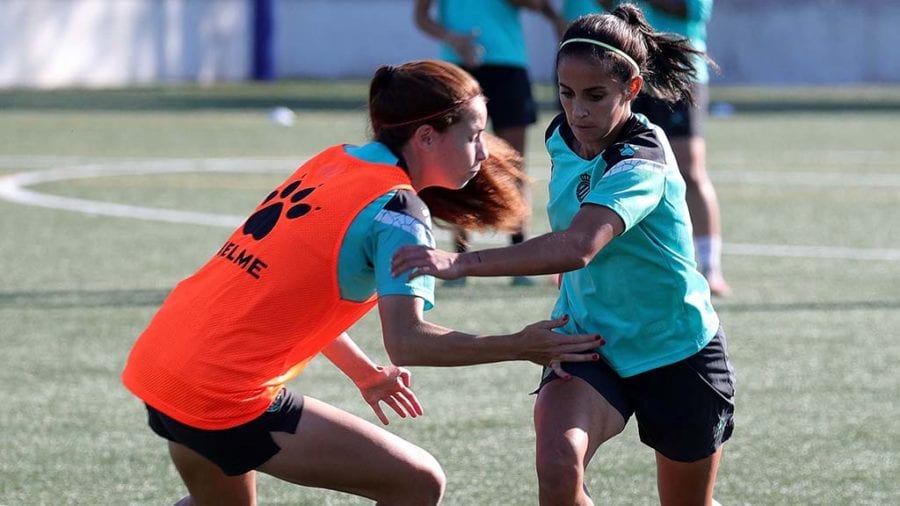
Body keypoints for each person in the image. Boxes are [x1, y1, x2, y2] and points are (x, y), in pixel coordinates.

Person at [121, 59, 604, 506]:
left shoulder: (336, 160)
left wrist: (364, 373)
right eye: (474, 134)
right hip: (219, 390)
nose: (484, 150)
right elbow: (410, 342)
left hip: (162, 362)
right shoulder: (398, 212)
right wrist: (519, 345)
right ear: (427, 137)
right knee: (418, 481)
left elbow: (290, 291)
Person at [393, 6, 735, 505]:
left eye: (595, 95)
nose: (578, 111)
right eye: (566, 93)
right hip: (587, 341)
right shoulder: (561, 136)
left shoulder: (643, 159)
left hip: (674, 348)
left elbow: (578, 246)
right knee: (558, 468)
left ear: (632, 88)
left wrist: (461, 262)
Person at [414, 0, 555, 287]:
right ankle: (458, 259)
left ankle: (520, 260)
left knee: (513, 166)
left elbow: (536, 4)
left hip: (508, 63)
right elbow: (421, 16)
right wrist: (452, 38)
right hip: (457, 69)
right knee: (453, 165)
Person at [598, 0, 729, 295]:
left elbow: (691, 10)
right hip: (628, 71)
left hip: (679, 71)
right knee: (612, 167)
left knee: (690, 170)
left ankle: (710, 267)